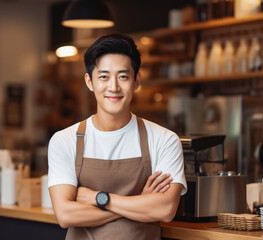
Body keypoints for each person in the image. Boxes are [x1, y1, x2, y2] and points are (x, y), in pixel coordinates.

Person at [48, 34, 187, 240]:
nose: (113, 87)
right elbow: (65, 214)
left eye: (123, 76)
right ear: (89, 81)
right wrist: (140, 202)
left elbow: (165, 210)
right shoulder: (64, 140)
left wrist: (98, 198)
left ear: (136, 81)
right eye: (103, 76)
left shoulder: (164, 140)